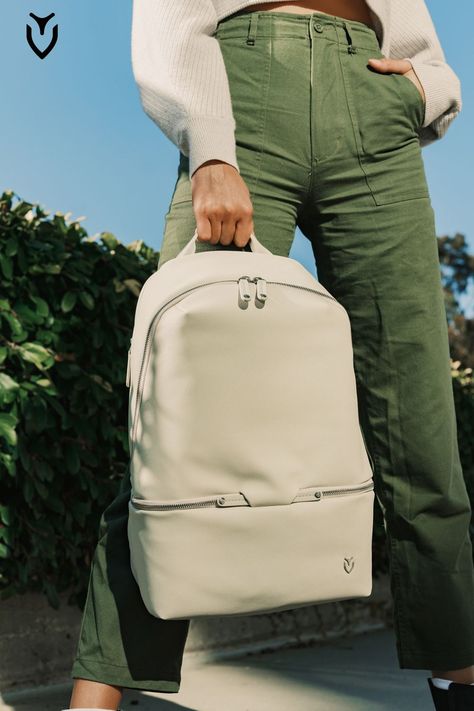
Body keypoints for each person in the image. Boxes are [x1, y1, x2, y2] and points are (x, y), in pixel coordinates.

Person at [66, 2, 474, 710]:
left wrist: (426, 89)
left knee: (425, 445)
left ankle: (461, 680)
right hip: (243, 85)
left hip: (373, 97)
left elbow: (416, 36)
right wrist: (211, 147)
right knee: (172, 426)